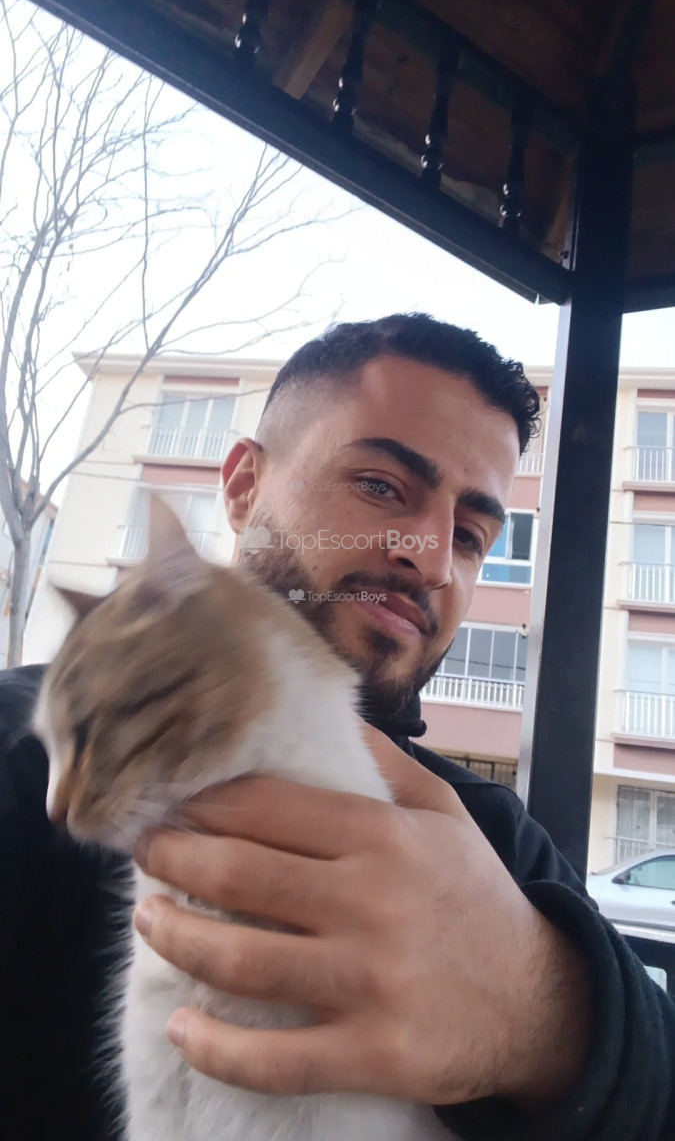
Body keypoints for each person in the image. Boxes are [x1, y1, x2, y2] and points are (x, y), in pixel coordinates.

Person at [1, 313, 673, 1141]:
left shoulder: (494, 841)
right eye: (381, 487)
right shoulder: (25, 754)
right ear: (244, 488)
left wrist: (549, 1020)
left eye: (469, 536)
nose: (431, 559)